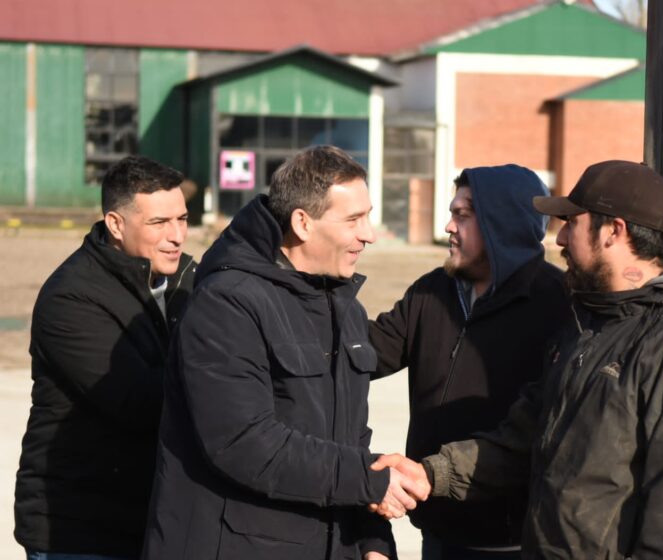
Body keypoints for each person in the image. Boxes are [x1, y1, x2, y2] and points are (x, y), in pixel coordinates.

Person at [374, 160, 663, 559]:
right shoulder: (589, 329)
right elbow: (525, 439)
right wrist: (432, 473)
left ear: (613, 231)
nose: (560, 238)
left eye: (572, 223)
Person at [142, 145, 427, 560]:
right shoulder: (227, 303)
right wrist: (370, 481)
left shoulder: (345, 309)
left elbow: (352, 443)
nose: (368, 234)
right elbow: (243, 442)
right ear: (302, 223)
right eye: (353, 220)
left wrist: (373, 540)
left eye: (368, 216)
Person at [369, 165, 569, 559]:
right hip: (438, 529)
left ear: (502, 224)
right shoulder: (432, 290)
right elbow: (368, 353)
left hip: (517, 542)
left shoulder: (558, 302)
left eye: (462, 215)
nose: (448, 227)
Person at [15, 156, 196, 560]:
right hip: (78, 530)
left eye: (182, 219)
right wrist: (228, 382)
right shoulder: (70, 298)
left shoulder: (186, 279)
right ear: (115, 224)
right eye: (158, 223)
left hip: (153, 520)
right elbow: (138, 401)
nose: (176, 236)